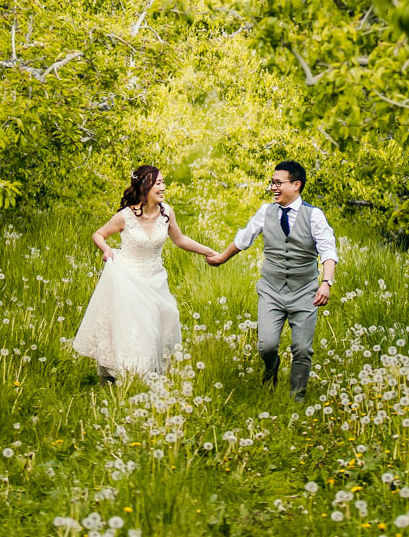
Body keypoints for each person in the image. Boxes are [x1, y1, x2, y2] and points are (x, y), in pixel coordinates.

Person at [72, 165, 219, 383]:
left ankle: (152, 375)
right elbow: (99, 234)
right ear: (145, 187)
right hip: (128, 277)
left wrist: (209, 252)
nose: (163, 187)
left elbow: (180, 239)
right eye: (158, 183)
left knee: (168, 319)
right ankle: (133, 376)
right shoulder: (126, 216)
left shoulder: (166, 212)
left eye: (163, 182)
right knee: (142, 326)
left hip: (155, 278)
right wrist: (107, 249)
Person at [205, 158, 338, 399]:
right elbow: (245, 238)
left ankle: (297, 398)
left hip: (305, 291)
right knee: (265, 346)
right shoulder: (266, 211)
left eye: (278, 183)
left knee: (302, 349)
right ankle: (271, 369)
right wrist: (222, 258)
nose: (273, 188)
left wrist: (326, 283)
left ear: (296, 185)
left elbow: (328, 251)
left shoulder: (314, 216)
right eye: (272, 183)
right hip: (271, 290)